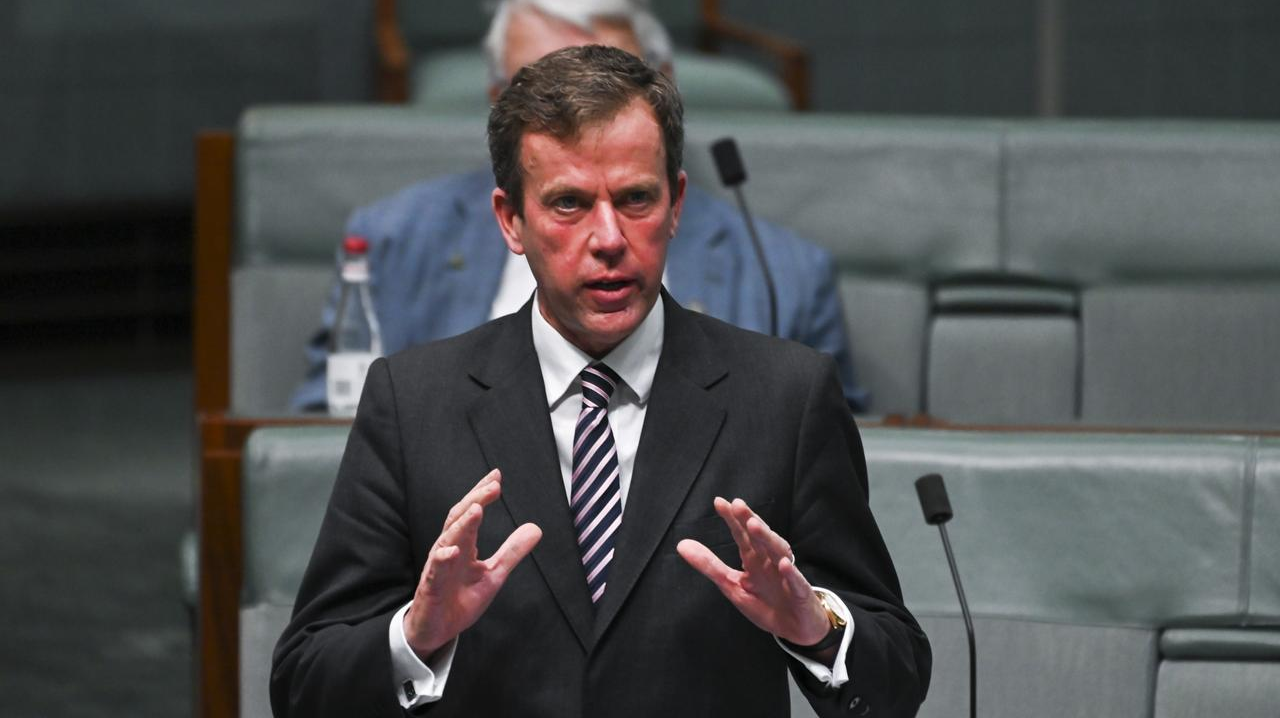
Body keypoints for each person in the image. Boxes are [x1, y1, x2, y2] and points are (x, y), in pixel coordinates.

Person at [272, 45, 928, 717]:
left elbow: (896, 675)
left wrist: (817, 630)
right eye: (569, 204)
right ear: (510, 220)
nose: (609, 238)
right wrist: (417, 636)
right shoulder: (413, 402)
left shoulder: (787, 397)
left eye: (636, 199)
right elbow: (304, 682)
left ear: (676, 203)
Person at [290, 0, 868, 413]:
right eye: (541, 95)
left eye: (608, 89)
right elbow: (323, 449)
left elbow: (840, 477)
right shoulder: (391, 243)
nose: (579, 122)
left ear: (665, 89)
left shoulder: (785, 276)